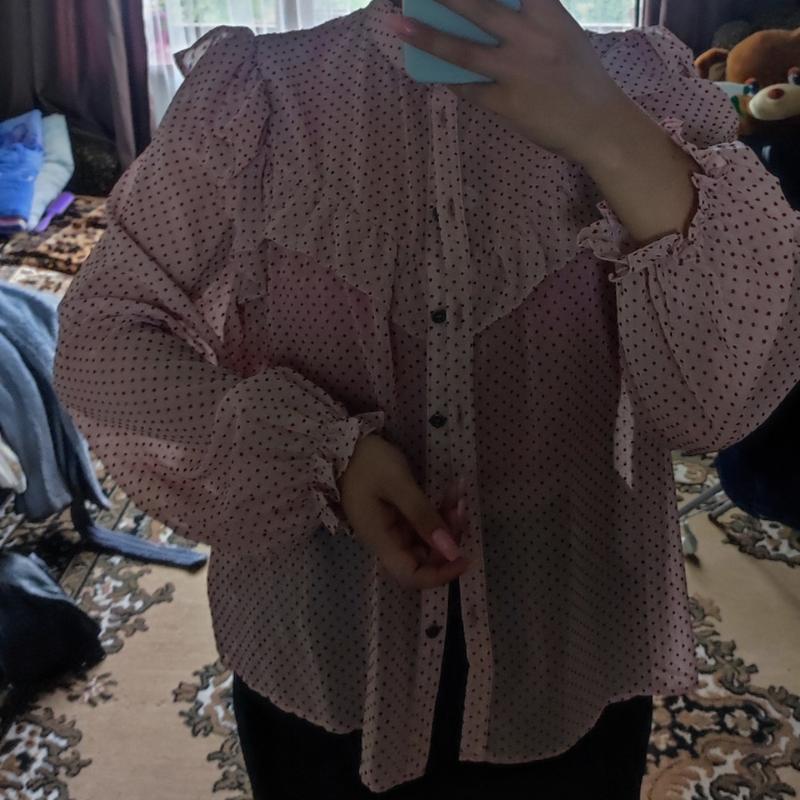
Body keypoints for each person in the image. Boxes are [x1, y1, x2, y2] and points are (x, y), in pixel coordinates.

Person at [52, 0, 800, 797]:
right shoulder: (254, 96)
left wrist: (609, 129)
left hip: (567, 642)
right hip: (321, 646)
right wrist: (324, 455)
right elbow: (102, 338)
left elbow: (718, 406)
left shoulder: (650, 88)